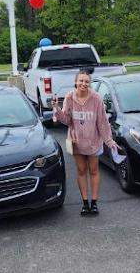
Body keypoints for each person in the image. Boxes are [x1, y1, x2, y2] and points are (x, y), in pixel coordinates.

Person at [52, 69, 122, 216]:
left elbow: (102, 122)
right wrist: (57, 109)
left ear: (89, 84)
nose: (83, 83)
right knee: (81, 170)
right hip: (76, 141)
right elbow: (66, 120)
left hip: (93, 142)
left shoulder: (96, 99)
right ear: (76, 82)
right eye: (81, 81)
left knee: (94, 170)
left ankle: (94, 203)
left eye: (86, 81)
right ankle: (85, 203)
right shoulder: (69, 97)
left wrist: (109, 140)